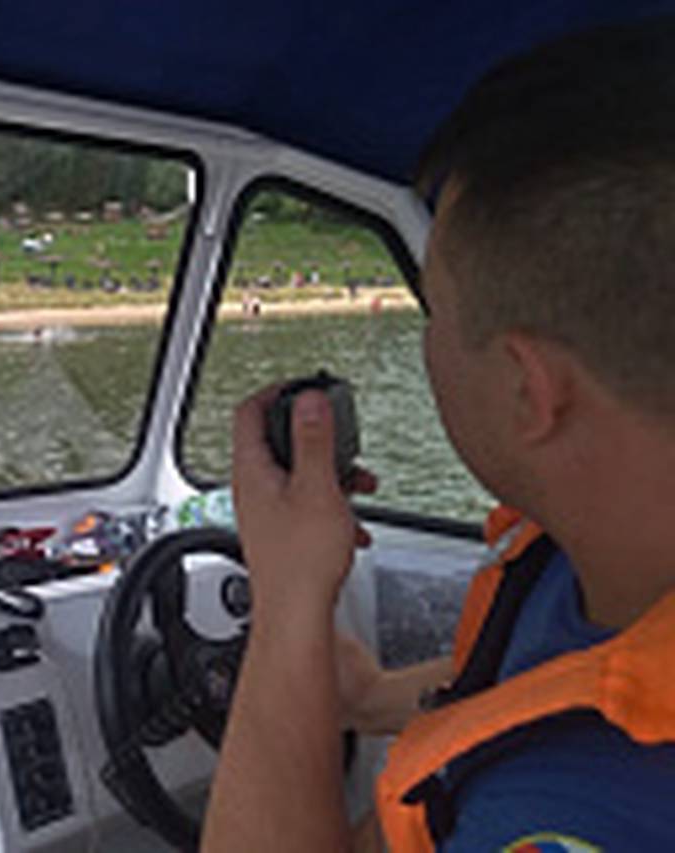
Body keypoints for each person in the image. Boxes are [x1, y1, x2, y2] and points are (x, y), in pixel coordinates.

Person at [203, 19, 675, 852]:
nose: (428, 341)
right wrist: (372, 696)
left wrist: (287, 600)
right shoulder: (602, 558)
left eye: (435, 310)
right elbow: (544, 683)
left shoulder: (595, 811)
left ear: (529, 389)